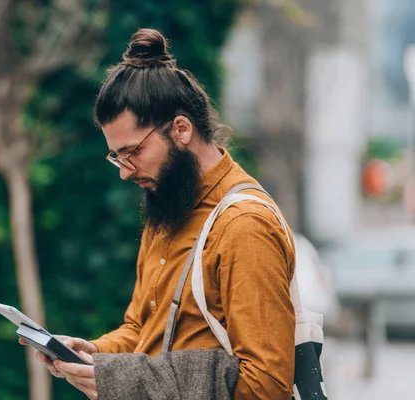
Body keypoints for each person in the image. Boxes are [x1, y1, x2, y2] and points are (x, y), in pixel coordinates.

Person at [21, 28, 296, 399]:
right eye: (116, 156)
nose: (123, 169)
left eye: (131, 152)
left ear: (181, 129)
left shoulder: (244, 226)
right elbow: (141, 329)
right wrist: (96, 354)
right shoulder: (168, 202)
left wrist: (128, 379)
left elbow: (268, 386)